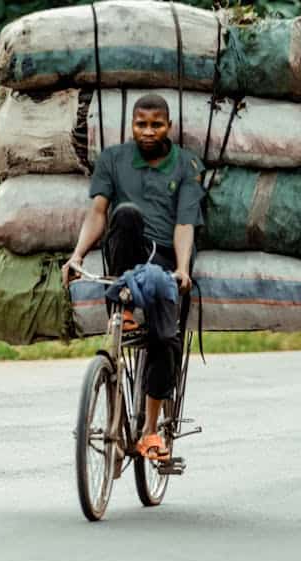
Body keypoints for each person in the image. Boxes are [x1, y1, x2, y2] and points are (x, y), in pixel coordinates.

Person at [62, 94, 205, 461]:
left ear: (168, 127)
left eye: (156, 124)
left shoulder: (187, 165)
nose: (148, 131)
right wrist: (76, 256)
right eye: (141, 124)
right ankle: (123, 308)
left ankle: (150, 432)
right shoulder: (113, 159)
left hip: (164, 263)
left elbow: (185, 223)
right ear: (132, 125)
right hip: (125, 253)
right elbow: (97, 213)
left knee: (165, 342)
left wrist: (183, 269)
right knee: (125, 214)